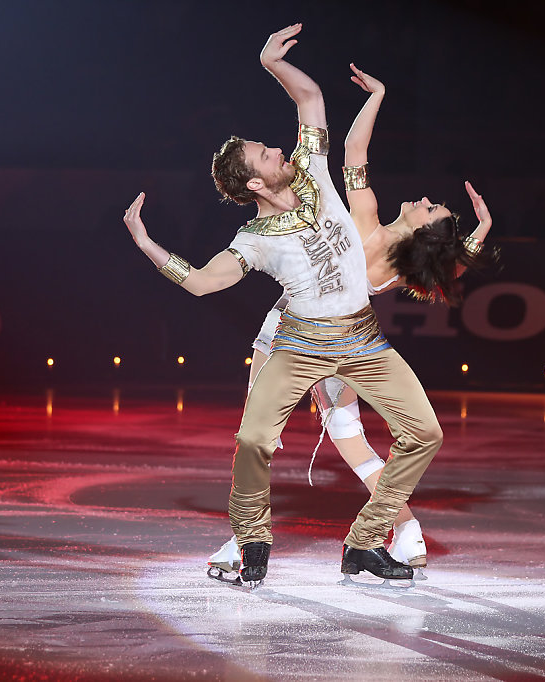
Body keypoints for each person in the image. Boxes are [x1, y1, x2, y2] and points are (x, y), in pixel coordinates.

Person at [124, 25, 477, 586]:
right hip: (299, 343)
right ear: (256, 184)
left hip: (363, 339)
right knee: (252, 440)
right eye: (266, 154)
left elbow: (310, 99)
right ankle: (252, 544)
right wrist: (148, 246)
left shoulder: (312, 172)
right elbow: (199, 283)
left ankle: (365, 542)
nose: (278, 149)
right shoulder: (253, 240)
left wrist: (271, 63)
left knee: (425, 432)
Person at [207, 64, 492, 577]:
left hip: (334, 340)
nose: (423, 200)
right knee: (270, 434)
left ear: (423, 232)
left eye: (428, 208)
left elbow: (442, 261)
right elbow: (354, 154)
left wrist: (471, 242)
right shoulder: (369, 220)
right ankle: (258, 536)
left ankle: (397, 527)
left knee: (334, 432)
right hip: (292, 330)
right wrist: (377, 96)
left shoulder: (393, 255)